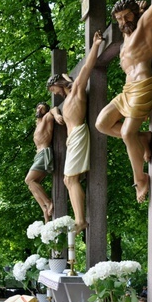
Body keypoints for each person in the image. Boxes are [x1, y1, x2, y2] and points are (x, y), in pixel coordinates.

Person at [95, 0, 152, 203]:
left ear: (135, 15)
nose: (123, 21)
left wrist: (142, 13)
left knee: (127, 133)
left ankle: (140, 178)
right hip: (126, 92)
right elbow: (127, 25)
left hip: (143, 86)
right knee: (101, 123)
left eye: (127, 16)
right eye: (119, 18)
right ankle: (143, 138)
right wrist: (137, 11)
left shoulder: (144, 26)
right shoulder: (126, 34)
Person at [47, 30, 104, 234]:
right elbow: (52, 110)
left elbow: (87, 67)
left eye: (54, 91)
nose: (56, 94)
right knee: (67, 180)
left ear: (58, 84)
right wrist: (54, 112)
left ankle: (81, 220)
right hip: (72, 140)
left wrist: (96, 44)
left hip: (79, 134)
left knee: (70, 179)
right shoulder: (65, 102)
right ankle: (79, 218)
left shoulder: (77, 90)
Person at [25, 102, 57, 222]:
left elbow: (53, 110)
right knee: (32, 185)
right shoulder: (37, 124)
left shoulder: (47, 118)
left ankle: (48, 203)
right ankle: (44, 208)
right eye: (38, 107)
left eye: (42, 108)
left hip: (44, 153)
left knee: (29, 180)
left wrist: (57, 115)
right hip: (38, 155)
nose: (39, 109)